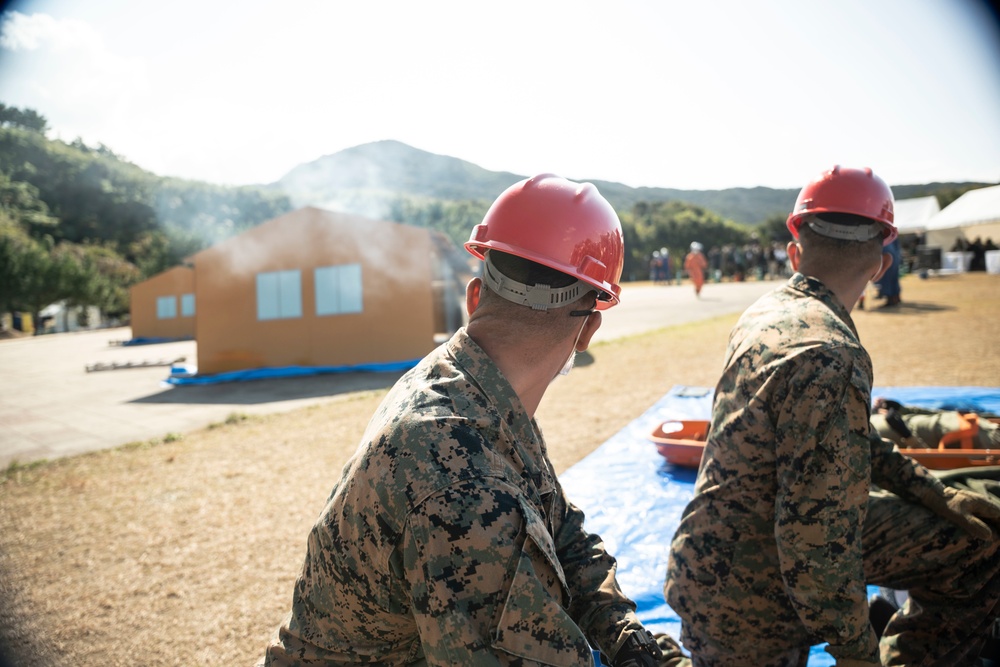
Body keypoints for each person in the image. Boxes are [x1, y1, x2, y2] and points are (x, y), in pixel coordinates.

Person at [260, 174, 685, 667]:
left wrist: (629, 641)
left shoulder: (474, 389)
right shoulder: (464, 480)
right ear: (589, 327)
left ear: (476, 296)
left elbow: (563, 530)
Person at [664, 165, 1000, 666]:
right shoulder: (831, 351)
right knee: (981, 550)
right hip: (751, 600)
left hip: (714, 561)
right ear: (881, 265)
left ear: (796, 246)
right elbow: (812, 536)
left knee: (974, 542)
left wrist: (936, 493)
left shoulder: (768, 311)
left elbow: (851, 442)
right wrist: (855, 650)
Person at [871, 397, 1000, 450]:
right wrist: (907, 435)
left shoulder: (866, 417)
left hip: (964, 423)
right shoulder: (863, 439)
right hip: (961, 435)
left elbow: (933, 414)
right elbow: (926, 457)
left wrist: (902, 409)